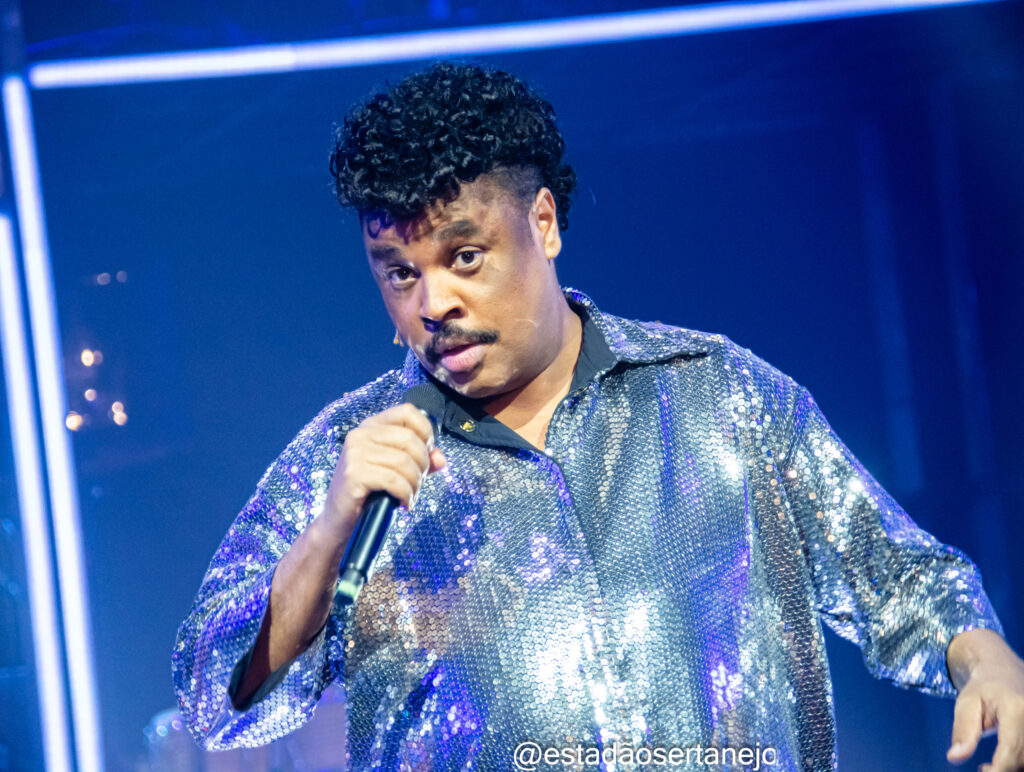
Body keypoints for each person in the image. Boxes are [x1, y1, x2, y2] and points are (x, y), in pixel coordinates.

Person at [173, 61, 1024, 771]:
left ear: (542, 223)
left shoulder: (722, 396)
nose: (432, 303)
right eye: (399, 272)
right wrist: (327, 536)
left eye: (464, 256)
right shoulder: (349, 458)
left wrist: (985, 658)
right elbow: (212, 696)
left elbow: (903, 577)